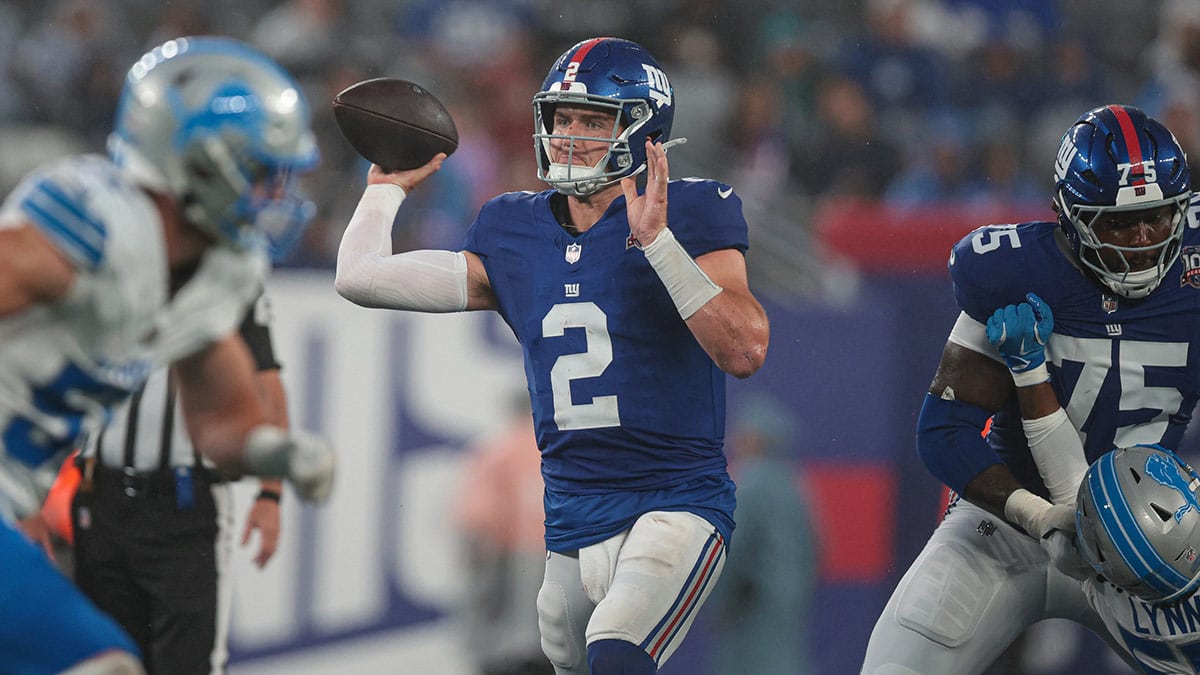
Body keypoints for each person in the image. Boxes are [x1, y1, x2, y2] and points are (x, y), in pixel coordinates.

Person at [335, 37, 770, 674]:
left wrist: (658, 245)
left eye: (594, 120)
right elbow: (360, 277)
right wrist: (386, 188)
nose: (569, 135)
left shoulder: (693, 210)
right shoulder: (515, 228)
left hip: (675, 500)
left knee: (619, 653)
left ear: (643, 129)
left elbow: (745, 348)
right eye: (562, 118)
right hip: (570, 516)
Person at [0, 36, 336, 674]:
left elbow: (222, 419)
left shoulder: (219, 271)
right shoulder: (100, 221)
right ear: (199, 161)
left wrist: (279, 456)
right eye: (262, 170)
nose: (275, 194)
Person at [861, 103, 1200, 673]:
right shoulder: (1016, 271)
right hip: (1008, 526)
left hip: (1146, 534)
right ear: (1072, 217)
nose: (1142, 239)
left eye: (1158, 218)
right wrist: (1035, 515)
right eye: (1117, 223)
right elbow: (943, 431)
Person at [68, 290, 287, 675]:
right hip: (98, 498)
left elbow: (266, 381)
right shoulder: (107, 246)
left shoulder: (228, 271)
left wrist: (270, 492)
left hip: (185, 508)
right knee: (100, 663)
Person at [705, 393, 816, 675]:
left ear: (755, 437)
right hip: (786, 606)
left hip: (751, 608)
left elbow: (733, 548)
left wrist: (722, 598)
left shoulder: (751, 484)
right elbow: (813, 548)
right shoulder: (792, 485)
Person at [454, 393, 554, 675]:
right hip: (560, 557)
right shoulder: (558, 447)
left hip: (513, 559)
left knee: (509, 649)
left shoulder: (499, 449)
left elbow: (479, 520)